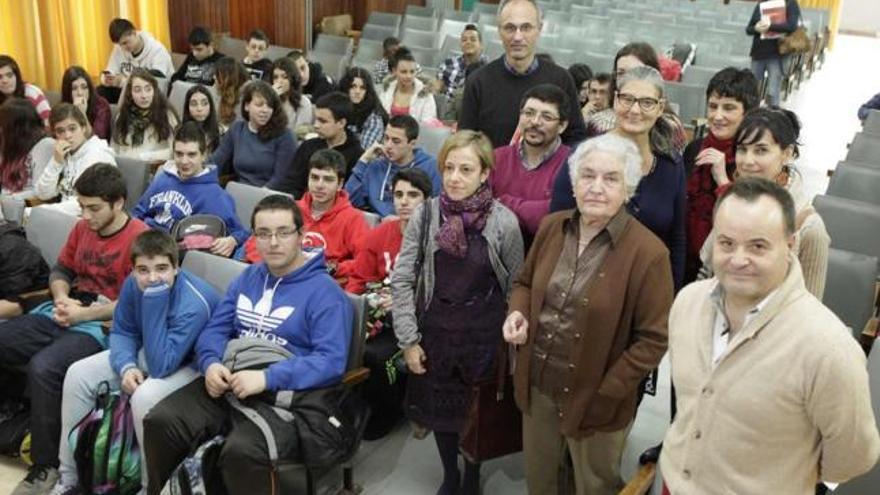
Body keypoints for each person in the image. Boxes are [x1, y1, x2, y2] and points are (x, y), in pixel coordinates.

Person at [659, 177, 880, 494]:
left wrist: (785, 472)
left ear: (789, 246)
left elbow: (854, 455)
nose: (738, 259)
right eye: (726, 243)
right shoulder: (688, 303)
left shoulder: (828, 347)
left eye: (758, 246)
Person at [142, 194, 353, 495]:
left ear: (301, 236)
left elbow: (331, 361)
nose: (273, 242)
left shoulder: (326, 293)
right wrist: (211, 362)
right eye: (263, 233)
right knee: (162, 422)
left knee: (241, 453)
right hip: (231, 380)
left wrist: (267, 377)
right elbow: (216, 329)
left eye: (283, 232)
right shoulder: (248, 278)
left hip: (286, 394)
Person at [504, 133, 673, 495]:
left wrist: (608, 389)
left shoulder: (649, 253)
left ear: (628, 187)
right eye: (587, 175)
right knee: (542, 481)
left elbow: (655, 338)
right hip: (539, 386)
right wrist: (517, 313)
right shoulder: (552, 227)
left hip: (597, 397)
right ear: (574, 182)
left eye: (610, 178)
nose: (596, 187)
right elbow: (524, 283)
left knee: (593, 484)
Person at [1, 164, 148, 495]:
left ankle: (46, 466)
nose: (86, 215)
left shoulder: (140, 237)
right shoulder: (83, 229)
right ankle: (11, 424)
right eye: (82, 206)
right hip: (67, 309)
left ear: (118, 203)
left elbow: (134, 304)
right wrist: (62, 296)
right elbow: (62, 269)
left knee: (45, 368)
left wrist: (83, 315)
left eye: (94, 208)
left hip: (104, 325)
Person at [391, 130, 524, 495]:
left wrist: (512, 347)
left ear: (484, 174)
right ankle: (451, 473)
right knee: (442, 415)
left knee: (476, 413)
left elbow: (517, 287)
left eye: (466, 169)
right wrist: (408, 340)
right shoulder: (426, 214)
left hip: (483, 336)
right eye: (448, 167)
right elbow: (402, 279)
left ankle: (472, 475)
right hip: (436, 332)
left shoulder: (504, 222)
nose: (454, 177)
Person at [50, 230, 220, 495]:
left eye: (162, 268)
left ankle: (145, 487)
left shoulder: (194, 302)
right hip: (151, 349)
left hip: (193, 364)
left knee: (144, 396)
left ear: (176, 268)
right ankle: (70, 478)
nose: (153, 278)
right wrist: (127, 366)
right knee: (78, 374)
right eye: (143, 270)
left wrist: (154, 301)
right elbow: (122, 331)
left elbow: (161, 365)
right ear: (133, 269)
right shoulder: (132, 283)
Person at [552, 66, 686, 289]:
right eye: (627, 99)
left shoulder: (671, 166)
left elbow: (677, 239)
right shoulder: (584, 157)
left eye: (647, 102)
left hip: (647, 288)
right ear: (615, 100)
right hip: (584, 288)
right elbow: (557, 228)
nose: (635, 110)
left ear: (660, 107)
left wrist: (671, 297)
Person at [698, 107, 830, 298]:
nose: (748, 161)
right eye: (742, 149)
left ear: (787, 154)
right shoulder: (733, 206)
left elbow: (809, 309)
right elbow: (706, 276)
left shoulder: (808, 228)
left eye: (761, 150)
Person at [458, 0, 586, 147]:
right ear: (499, 31)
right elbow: (466, 142)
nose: (518, 37)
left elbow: (576, 139)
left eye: (526, 27)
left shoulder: (561, 80)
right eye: (510, 28)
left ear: (539, 29)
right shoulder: (478, 82)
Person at [684, 68, 759, 283]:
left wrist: (722, 179)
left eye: (729, 108)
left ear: (746, 113)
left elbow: (747, 220)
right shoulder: (694, 149)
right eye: (713, 106)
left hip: (726, 270)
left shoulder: (749, 161)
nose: (718, 116)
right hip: (686, 261)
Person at [132, 122, 249, 256]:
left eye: (191, 154)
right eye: (179, 154)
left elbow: (241, 233)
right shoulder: (163, 177)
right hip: (144, 244)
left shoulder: (215, 195)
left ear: (204, 155)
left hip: (172, 255)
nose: (184, 161)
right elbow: (138, 212)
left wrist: (232, 240)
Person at [247, 149, 369, 276]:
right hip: (278, 275)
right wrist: (274, 265)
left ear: (340, 184)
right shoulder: (290, 210)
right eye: (314, 177)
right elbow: (254, 244)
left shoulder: (353, 218)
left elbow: (365, 261)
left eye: (328, 179)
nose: (319, 185)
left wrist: (332, 268)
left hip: (322, 282)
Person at [490, 84, 572, 246]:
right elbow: (480, 208)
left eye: (546, 117)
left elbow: (556, 218)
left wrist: (502, 201)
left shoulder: (573, 164)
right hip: (495, 253)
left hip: (547, 255)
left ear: (562, 126)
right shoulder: (496, 157)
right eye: (529, 113)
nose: (534, 122)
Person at [346, 168, 432, 294]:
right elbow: (359, 281)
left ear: (427, 201)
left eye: (413, 195)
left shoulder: (438, 238)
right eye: (398, 195)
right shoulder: (378, 234)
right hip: (379, 304)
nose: (404, 202)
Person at [346, 115, 441, 218]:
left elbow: (435, 210)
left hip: (412, 227)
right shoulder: (376, 165)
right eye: (386, 138)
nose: (388, 146)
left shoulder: (431, 167)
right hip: (378, 227)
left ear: (412, 144)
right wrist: (363, 161)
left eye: (396, 141)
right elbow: (348, 201)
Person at [210, 80, 296, 188]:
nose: (265, 110)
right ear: (246, 106)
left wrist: (257, 195)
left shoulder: (284, 135)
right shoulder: (237, 129)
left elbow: (280, 178)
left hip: (268, 196)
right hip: (238, 190)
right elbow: (217, 160)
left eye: (269, 106)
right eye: (259, 105)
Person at [275, 92, 363, 198]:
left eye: (323, 121)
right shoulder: (308, 147)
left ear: (341, 123)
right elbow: (290, 183)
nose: (316, 125)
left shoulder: (357, 156)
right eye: (316, 119)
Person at [34, 104, 116, 216]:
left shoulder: (97, 155)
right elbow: (43, 194)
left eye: (72, 129)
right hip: (65, 217)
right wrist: (56, 162)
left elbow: (85, 204)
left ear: (83, 128)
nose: (67, 136)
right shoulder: (63, 153)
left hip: (90, 219)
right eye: (60, 131)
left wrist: (43, 211)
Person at [98, 18, 174, 104]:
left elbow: (156, 81)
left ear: (134, 33)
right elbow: (110, 70)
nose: (123, 48)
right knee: (100, 91)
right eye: (120, 44)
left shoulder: (157, 50)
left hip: (151, 93)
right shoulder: (120, 48)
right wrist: (107, 79)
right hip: (128, 90)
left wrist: (122, 81)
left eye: (125, 43)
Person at [111, 68, 179, 162]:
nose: (144, 95)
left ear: (154, 90)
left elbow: (176, 150)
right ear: (130, 93)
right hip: (126, 167)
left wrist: (143, 157)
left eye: (148, 89)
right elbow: (114, 149)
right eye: (137, 90)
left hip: (153, 167)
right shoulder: (122, 115)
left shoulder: (166, 114)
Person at [747, 0, 801, 107]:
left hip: (777, 54)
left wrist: (769, 26)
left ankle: (773, 118)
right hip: (758, 52)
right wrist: (756, 29)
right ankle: (751, 116)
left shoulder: (790, 3)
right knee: (752, 89)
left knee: (773, 91)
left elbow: (792, 26)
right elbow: (748, 29)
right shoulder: (762, 3)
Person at [0, 99, 54, 203]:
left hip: (26, 206)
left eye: (2, 124)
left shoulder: (45, 145)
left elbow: (40, 192)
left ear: (16, 128)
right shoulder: (7, 141)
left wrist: (7, 199)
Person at [378, 47, 436, 122]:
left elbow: (428, 124)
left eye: (412, 72)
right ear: (394, 71)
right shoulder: (386, 89)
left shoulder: (426, 94)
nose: (409, 76)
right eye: (404, 72)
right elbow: (378, 117)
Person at [339, 67, 388, 149]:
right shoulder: (337, 107)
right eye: (353, 86)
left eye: (362, 88)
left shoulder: (373, 117)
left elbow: (364, 151)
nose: (357, 92)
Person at [435, 24, 488, 99]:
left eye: (473, 39)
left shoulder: (488, 69)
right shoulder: (448, 63)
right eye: (464, 40)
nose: (468, 42)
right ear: (460, 44)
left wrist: (447, 89)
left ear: (481, 45)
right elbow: (437, 87)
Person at [60, 65, 112, 140]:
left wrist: (82, 113)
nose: (80, 93)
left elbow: (96, 140)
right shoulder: (64, 106)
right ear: (67, 92)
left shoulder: (101, 105)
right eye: (74, 88)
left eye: (84, 87)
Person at [0, 55, 51, 125]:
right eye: (0, 77)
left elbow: (48, 123)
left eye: (9, 75)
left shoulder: (32, 92)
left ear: (17, 76)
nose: (5, 81)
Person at [272, 57, 314, 133]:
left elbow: (300, 133)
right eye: (275, 77)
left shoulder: (304, 102)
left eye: (285, 77)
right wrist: (272, 99)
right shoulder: (269, 100)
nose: (279, 81)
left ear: (293, 79)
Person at [181, 84, 222, 152]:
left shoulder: (220, 133)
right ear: (187, 108)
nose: (199, 109)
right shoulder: (180, 131)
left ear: (210, 106)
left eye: (204, 103)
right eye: (194, 104)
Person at [214, 56, 250, 128]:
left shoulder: (249, 96)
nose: (214, 77)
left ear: (228, 78)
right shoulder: (225, 93)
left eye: (218, 75)